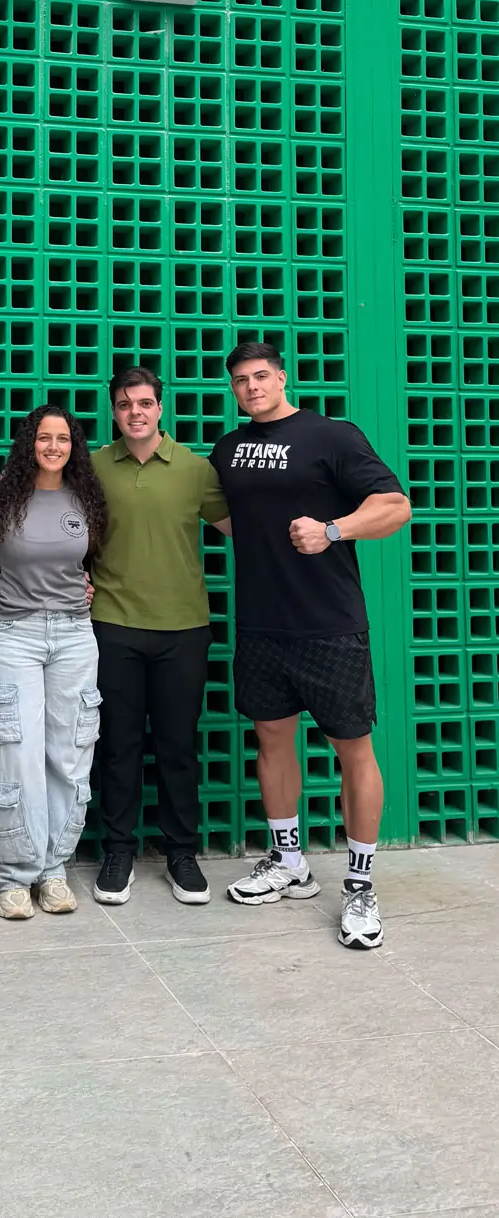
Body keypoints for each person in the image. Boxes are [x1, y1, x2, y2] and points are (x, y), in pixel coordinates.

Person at [210, 339, 411, 950]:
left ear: (282, 377)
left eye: (260, 376)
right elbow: (222, 516)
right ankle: (289, 861)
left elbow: (395, 506)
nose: (251, 387)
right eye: (240, 380)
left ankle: (360, 885)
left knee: (354, 749)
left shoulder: (332, 436)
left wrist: (333, 529)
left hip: (330, 625)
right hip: (262, 626)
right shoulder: (228, 449)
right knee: (272, 740)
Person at [89, 365, 230, 907]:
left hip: (184, 628)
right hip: (113, 622)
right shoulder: (94, 465)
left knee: (177, 747)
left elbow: (241, 527)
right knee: (118, 746)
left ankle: (181, 853)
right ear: (113, 411)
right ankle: (118, 851)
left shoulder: (195, 469)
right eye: (125, 405)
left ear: (160, 408)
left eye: (144, 403)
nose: (136, 413)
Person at [0, 405, 108, 920]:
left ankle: (54, 870)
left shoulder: (86, 497)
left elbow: (88, 560)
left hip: (75, 634)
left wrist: (86, 588)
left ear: (73, 446)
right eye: (43, 437)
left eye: (63, 438)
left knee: (69, 753)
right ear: (28, 443)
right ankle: (14, 875)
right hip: (15, 633)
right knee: (16, 752)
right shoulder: (2, 495)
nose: (53, 447)